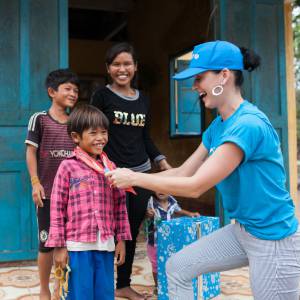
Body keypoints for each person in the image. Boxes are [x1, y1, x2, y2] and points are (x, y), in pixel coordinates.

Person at [105, 40, 300, 300]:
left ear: (224, 75)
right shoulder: (218, 127)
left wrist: (133, 177)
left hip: (274, 239)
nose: (195, 86)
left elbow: (196, 186)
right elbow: (184, 171)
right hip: (244, 230)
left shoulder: (247, 125)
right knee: (177, 268)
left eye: (199, 78)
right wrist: (131, 179)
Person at [90, 42, 171, 300]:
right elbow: (94, 132)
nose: (122, 69)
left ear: (135, 67)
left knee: (130, 230)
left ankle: (123, 284)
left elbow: (145, 137)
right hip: (110, 175)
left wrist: (162, 163)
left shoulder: (144, 99)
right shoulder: (101, 96)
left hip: (140, 174)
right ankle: (100, 284)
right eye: (116, 64)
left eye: (127, 64)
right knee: (105, 230)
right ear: (108, 68)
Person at [45, 104, 132, 300]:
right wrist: (59, 246)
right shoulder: (68, 167)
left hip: (106, 243)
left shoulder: (111, 168)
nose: (100, 138)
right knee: (80, 294)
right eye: (93, 133)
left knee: (104, 293)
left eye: (104, 132)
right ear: (76, 137)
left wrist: (121, 239)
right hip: (78, 246)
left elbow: (120, 206)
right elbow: (57, 208)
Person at [25, 69, 79, 300]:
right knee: (47, 244)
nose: (73, 93)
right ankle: (45, 289)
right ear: (51, 92)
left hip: (73, 195)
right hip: (47, 195)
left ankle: (60, 287)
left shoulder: (77, 122)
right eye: (67, 88)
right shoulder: (40, 119)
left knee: (69, 244)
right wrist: (35, 182)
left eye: (76, 90)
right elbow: (31, 152)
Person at [146, 192, 200, 287]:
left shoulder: (172, 201)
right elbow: (147, 213)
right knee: (156, 264)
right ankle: (158, 287)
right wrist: (148, 213)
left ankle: (171, 284)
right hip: (155, 241)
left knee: (171, 261)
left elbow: (178, 210)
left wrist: (190, 214)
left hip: (169, 240)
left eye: (164, 188)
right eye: (157, 187)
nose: (160, 190)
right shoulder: (151, 202)